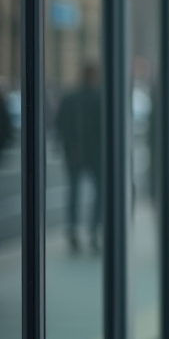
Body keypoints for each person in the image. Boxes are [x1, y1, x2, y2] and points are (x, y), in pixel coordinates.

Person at [56, 63, 103, 253]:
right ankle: (94, 229)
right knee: (100, 192)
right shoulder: (100, 98)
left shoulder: (70, 98)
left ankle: (73, 228)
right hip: (96, 154)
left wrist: (67, 145)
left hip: (74, 152)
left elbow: (60, 123)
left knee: (73, 191)